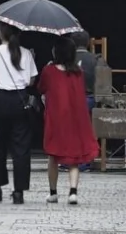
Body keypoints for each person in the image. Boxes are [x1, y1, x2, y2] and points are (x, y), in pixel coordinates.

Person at [0, 21, 40, 204]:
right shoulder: (26, 54)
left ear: (1, 33)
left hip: (0, 101)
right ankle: (18, 192)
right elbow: (31, 81)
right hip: (20, 101)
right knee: (21, 149)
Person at [39, 33, 100, 203]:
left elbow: (41, 88)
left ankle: (53, 192)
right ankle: (73, 192)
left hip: (55, 119)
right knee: (74, 157)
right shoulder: (78, 72)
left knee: (53, 156)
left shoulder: (49, 71)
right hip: (74, 119)